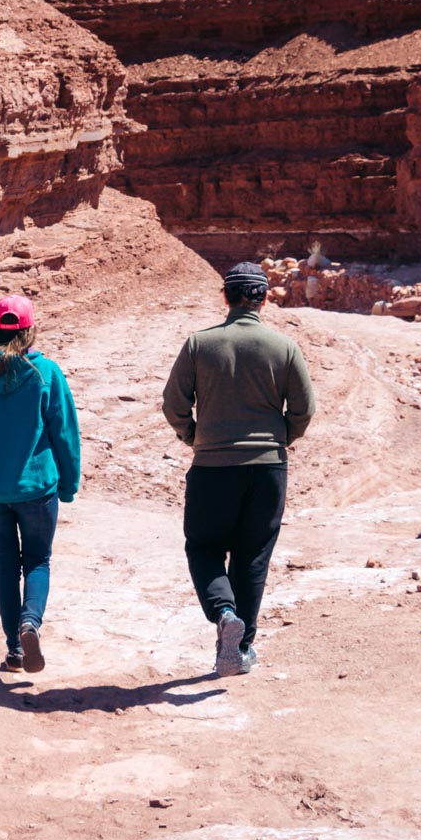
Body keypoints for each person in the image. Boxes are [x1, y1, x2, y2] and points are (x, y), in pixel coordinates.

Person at [162, 261, 316, 676]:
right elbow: (304, 409)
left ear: (226, 297)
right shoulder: (284, 347)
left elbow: (173, 405)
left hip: (212, 466)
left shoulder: (199, 344)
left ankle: (225, 614)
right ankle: (240, 648)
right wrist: (281, 437)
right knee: (252, 558)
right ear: (264, 299)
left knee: (204, 547)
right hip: (268, 469)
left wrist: (194, 436)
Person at [0, 294, 80, 674]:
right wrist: (69, 484)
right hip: (37, 490)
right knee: (37, 561)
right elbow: (65, 432)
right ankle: (30, 624)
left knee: (6, 566)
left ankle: (15, 650)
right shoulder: (46, 373)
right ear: (29, 330)